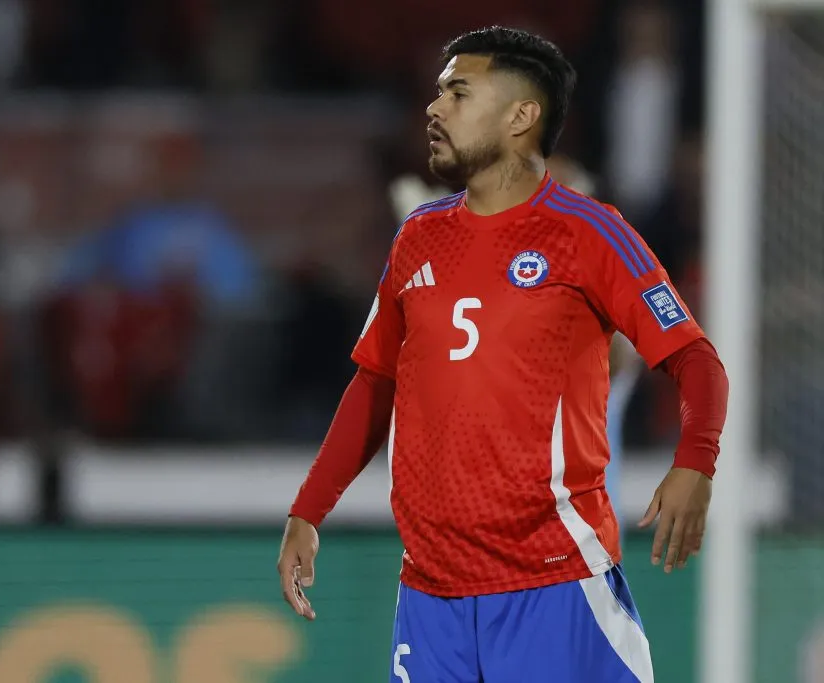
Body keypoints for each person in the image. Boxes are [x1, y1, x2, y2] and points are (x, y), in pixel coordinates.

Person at [277, 27, 729, 682]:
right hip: (431, 599)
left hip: (554, 584)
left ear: (522, 116)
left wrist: (697, 461)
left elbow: (695, 358)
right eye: (437, 94)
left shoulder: (590, 233)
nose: (434, 109)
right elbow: (375, 384)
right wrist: (309, 507)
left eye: (458, 94)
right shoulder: (418, 238)